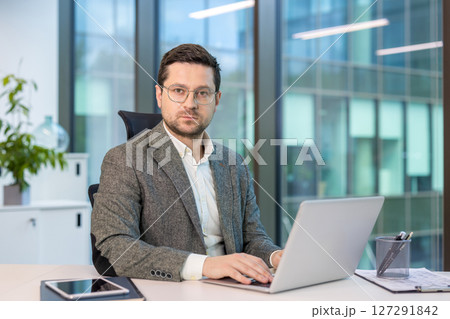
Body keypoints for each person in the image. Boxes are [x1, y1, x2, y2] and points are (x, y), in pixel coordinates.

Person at [91, 43, 283, 284]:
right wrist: (206, 265)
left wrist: (276, 256)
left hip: (236, 292)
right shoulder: (125, 160)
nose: (190, 103)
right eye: (179, 90)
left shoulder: (234, 163)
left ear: (217, 99)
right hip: (171, 294)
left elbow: (252, 238)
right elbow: (116, 246)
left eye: (202, 93)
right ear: (160, 96)